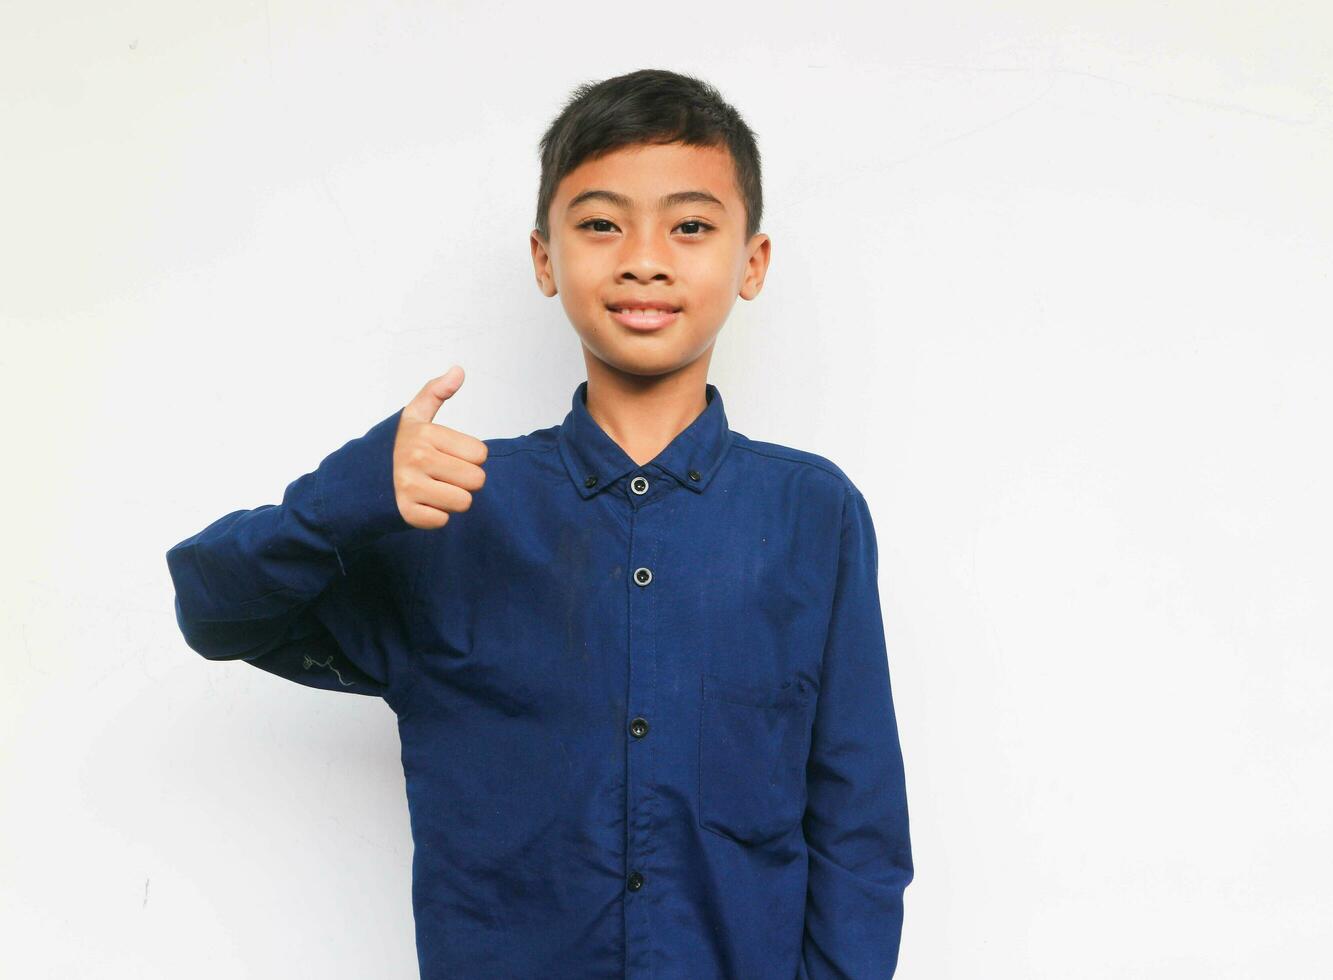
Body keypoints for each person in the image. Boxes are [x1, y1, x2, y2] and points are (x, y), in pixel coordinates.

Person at [164, 67, 914, 979]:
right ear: (544, 257)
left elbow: (858, 827)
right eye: (601, 223)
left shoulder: (811, 515)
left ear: (750, 262)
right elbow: (213, 609)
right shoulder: (448, 508)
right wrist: (340, 499)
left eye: (690, 225)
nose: (644, 257)